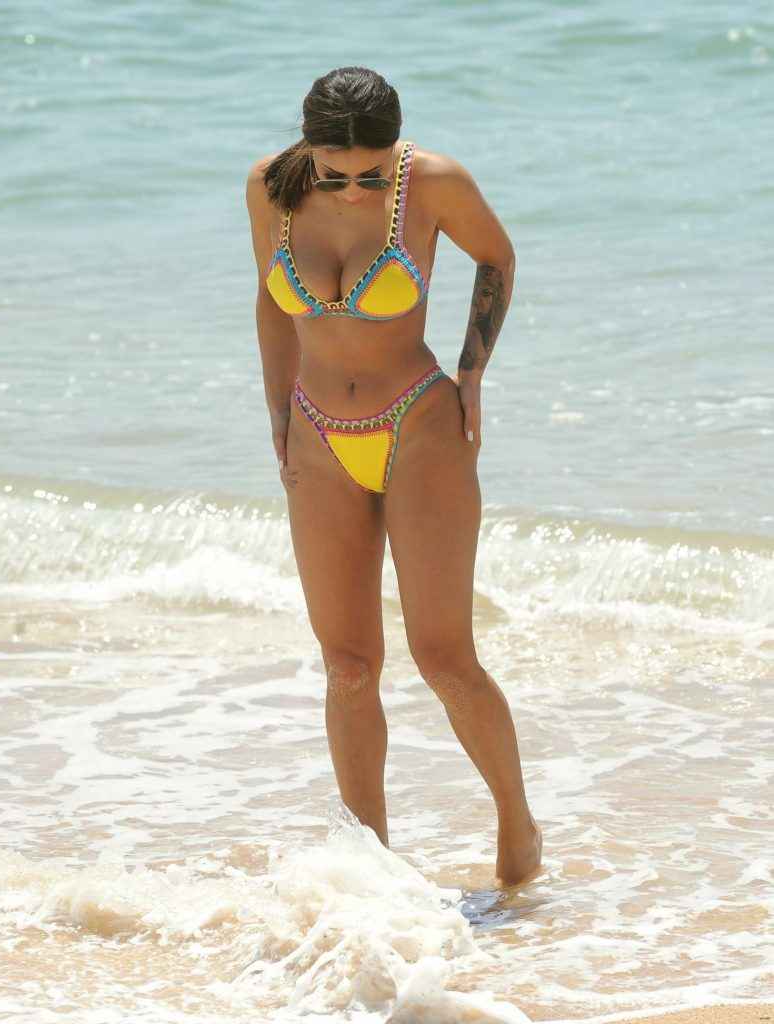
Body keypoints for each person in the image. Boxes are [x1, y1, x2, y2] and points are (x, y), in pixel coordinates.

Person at [246, 66, 542, 887]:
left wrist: (473, 370)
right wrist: (277, 411)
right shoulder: (270, 188)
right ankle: (371, 865)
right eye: (336, 175)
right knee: (347, 665)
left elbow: (497, 258)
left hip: (418, 427)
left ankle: (517, 826)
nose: (354, 189)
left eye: (372, 175)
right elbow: (271, 303)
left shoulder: (434, 183)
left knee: (444, 659)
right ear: (309, 149)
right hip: (318, 434)